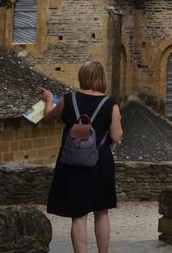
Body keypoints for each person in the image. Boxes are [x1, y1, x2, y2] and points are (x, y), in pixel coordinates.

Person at [42, 61, 123, 253]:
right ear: (102, 78)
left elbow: (48, 117)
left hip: (73, 161)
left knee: (78, 215)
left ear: (82, 76)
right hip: (100, 162)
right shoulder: (111, 104)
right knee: (101, 211)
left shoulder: (68, 100)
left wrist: (48, 100)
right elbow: (116, 136)